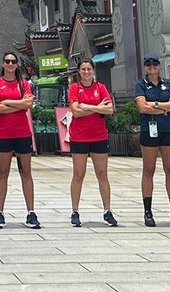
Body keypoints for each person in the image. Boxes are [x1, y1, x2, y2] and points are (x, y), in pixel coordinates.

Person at [0, 51, 40, 229]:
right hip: (3, 134)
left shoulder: (24, 84)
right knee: (2, 172)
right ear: (3, 64)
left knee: (26, 172)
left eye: (13, 61)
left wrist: (8, 103)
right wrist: (17, 104)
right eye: (7, 61)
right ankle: (0, 212)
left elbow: (27, 105)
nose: (10, 64)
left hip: (22, 133)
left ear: (17, 64)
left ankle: (31, 212)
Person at [67, 57, 117, 227]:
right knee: (78, 174)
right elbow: (75, 112)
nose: (86, 72)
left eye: (89, 69)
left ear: (93, 70)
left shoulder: (100, 88)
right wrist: (97, 107)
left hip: (99, 136)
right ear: (79, 72)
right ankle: (75, 211)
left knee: (102, 174)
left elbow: (109, 109)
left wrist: (86, 106)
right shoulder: (75, 88)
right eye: (83, 69)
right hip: (79, 136)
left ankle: (107, 211)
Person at [135, 54, 170, 227]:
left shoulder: (168, 83)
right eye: (148, 64)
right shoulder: (141, 84)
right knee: (149, 170)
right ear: (145, 67)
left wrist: (154, 105)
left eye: (154, 63)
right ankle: (147, 212)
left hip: (167, 129)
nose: (152, 66)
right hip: (149, 129)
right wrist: (164, 107)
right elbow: (142, 107)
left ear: (159, 66)